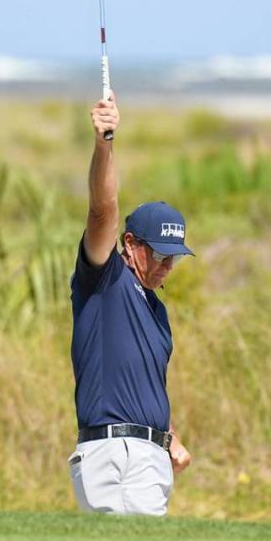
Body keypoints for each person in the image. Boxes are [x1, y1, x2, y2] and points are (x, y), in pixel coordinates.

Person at [67, 92, 193, 516]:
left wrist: (168, 435)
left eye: (173, 256)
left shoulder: (158, 313)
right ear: (130, 244)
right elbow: (103, 211)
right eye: (159, 254)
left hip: (149, 457)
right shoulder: (105, 279)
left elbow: (144, 388)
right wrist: (105, 143)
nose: (167, 265)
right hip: (112, 454)